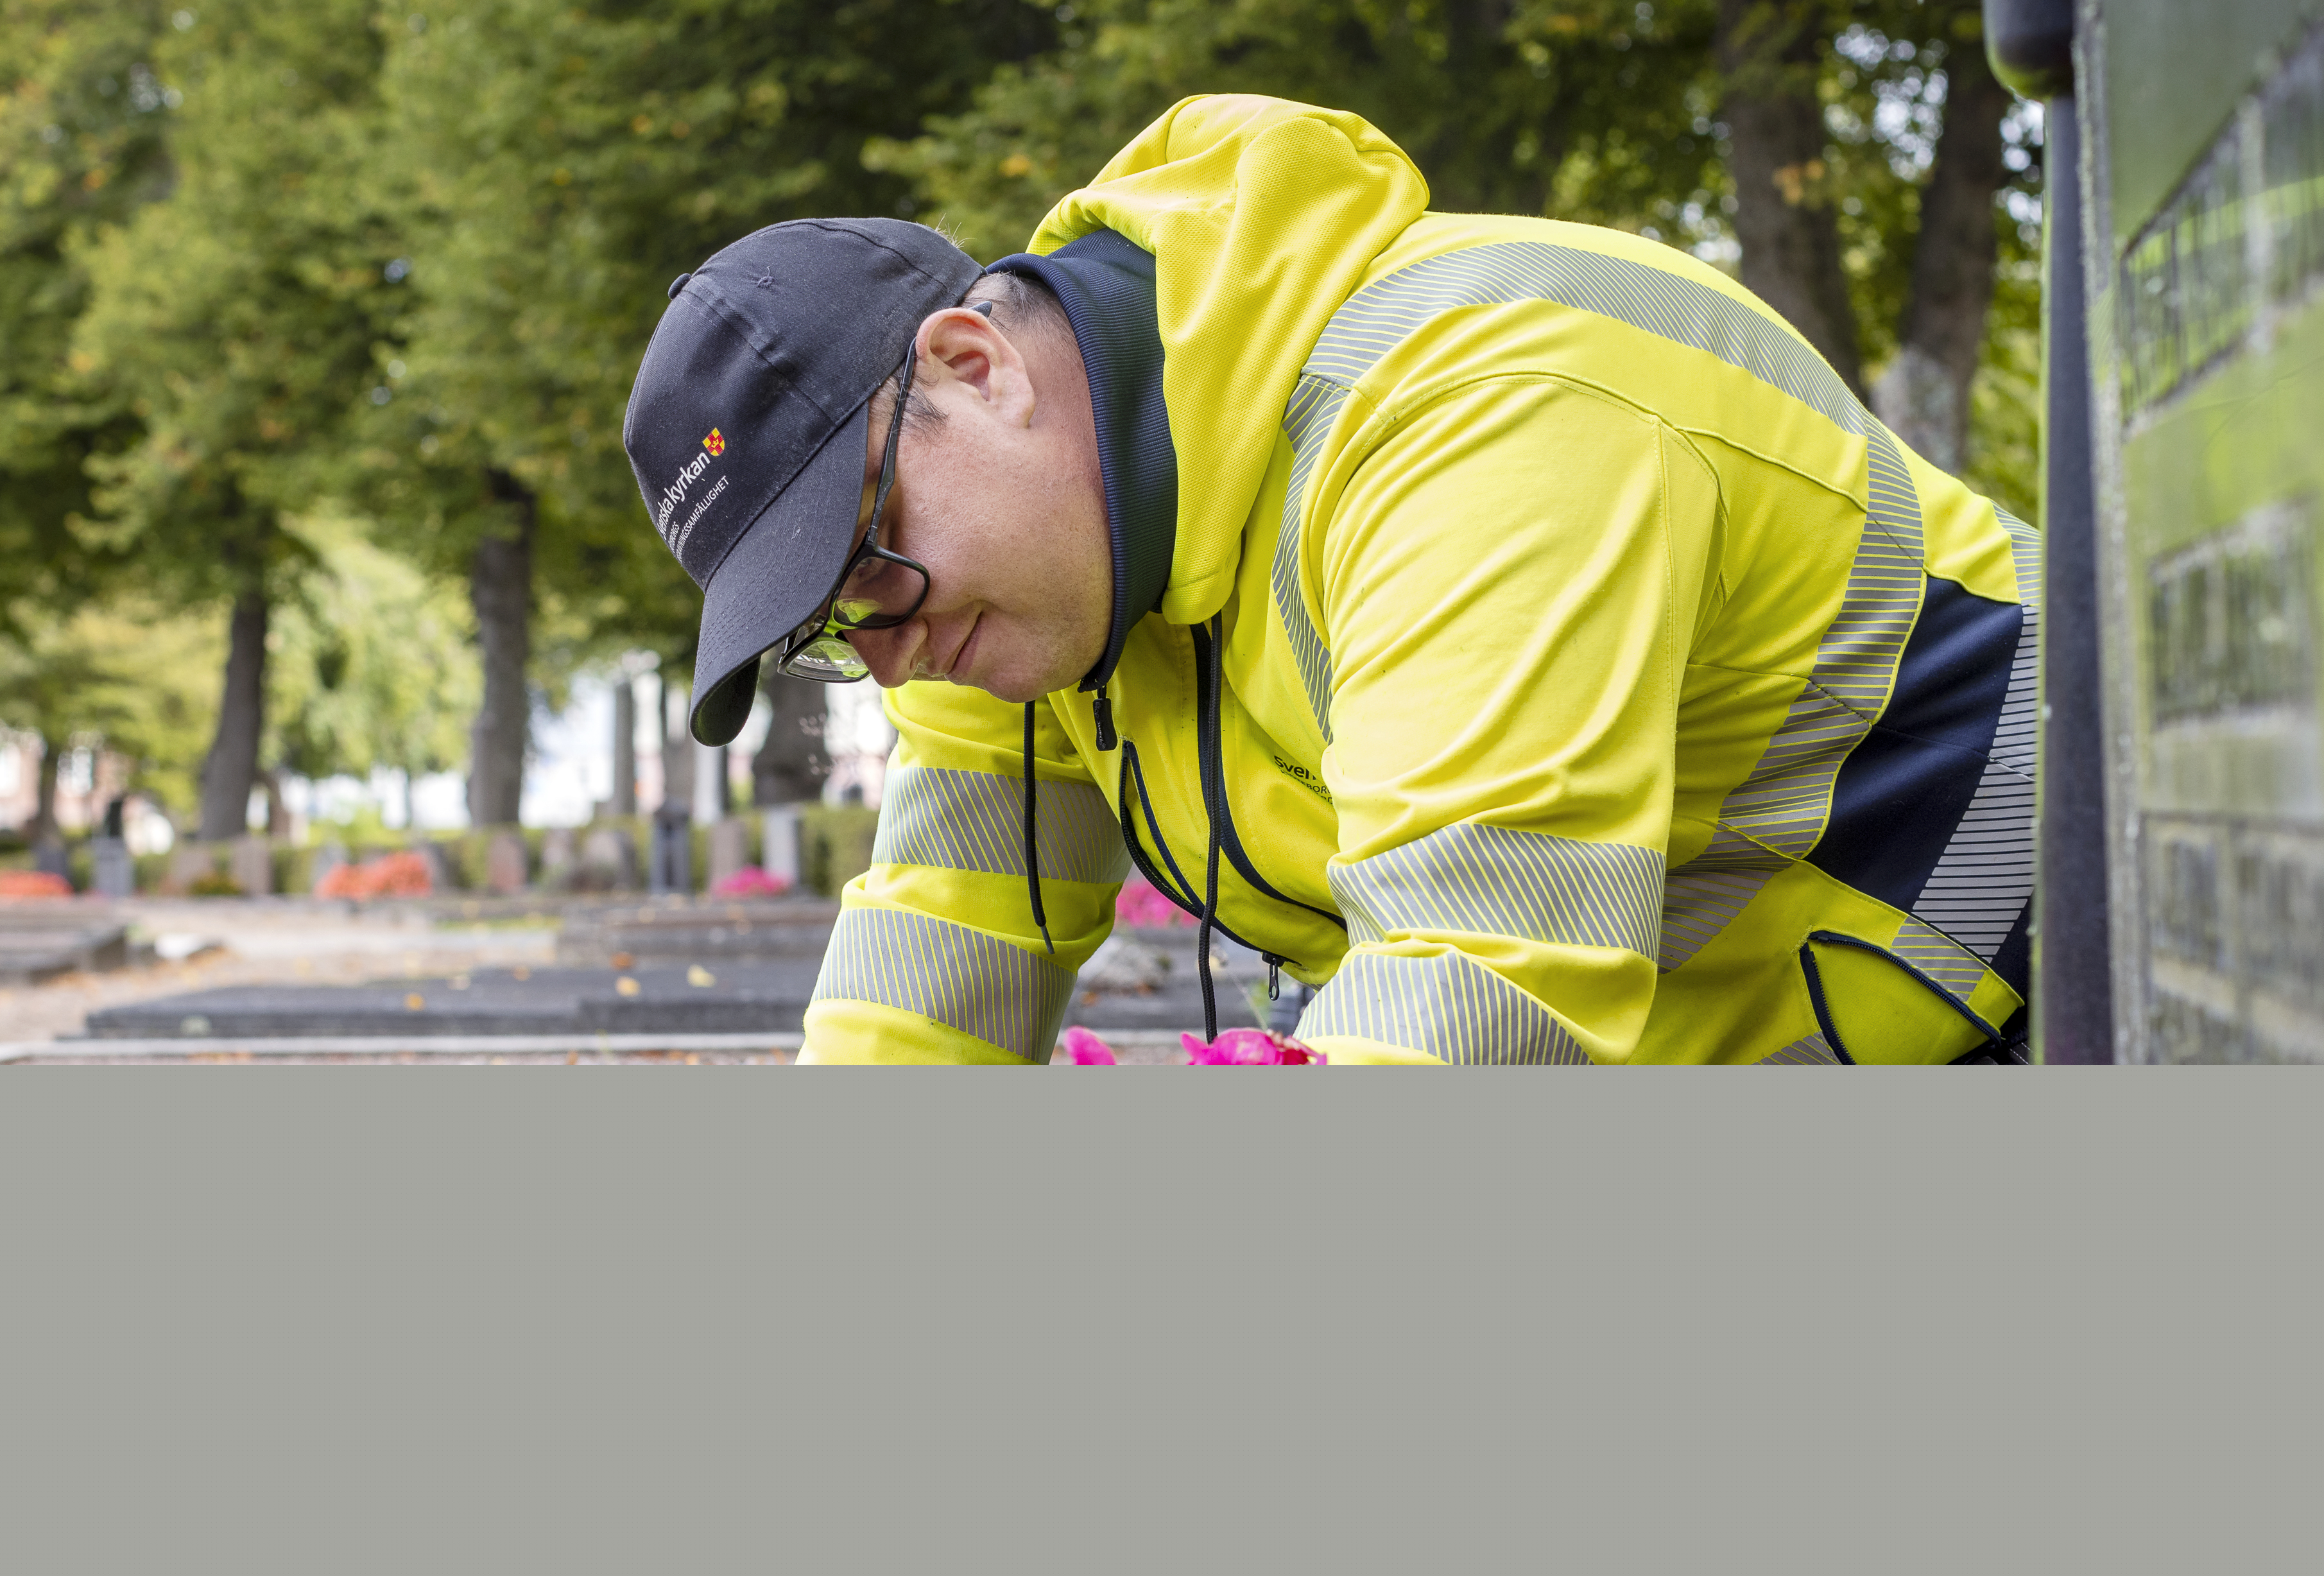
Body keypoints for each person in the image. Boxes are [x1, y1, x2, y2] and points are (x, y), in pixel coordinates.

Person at [622, 96, 2034, 1064]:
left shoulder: (1476, 407)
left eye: (865, 566)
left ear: (974, 371)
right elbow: (938, 949)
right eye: (832, 625)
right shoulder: (1003, 585)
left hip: (2059, 988)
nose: (888, 650)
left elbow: (1479, 971)